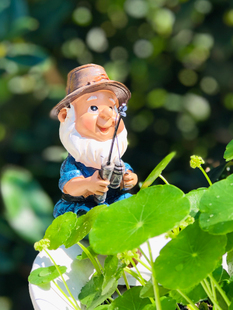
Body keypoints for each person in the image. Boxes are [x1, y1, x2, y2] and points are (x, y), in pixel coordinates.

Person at [50, 64, 138, 218]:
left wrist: (129, 179)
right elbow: (68, 187)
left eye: (111, 107)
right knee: (85, 217)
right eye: (93, 108)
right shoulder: (74, 164)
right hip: (84, 206)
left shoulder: (116, 159)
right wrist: (89, 184)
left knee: (133, 206)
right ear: (66, 116)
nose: (107, 115)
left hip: (114, 202)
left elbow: (127, 173)